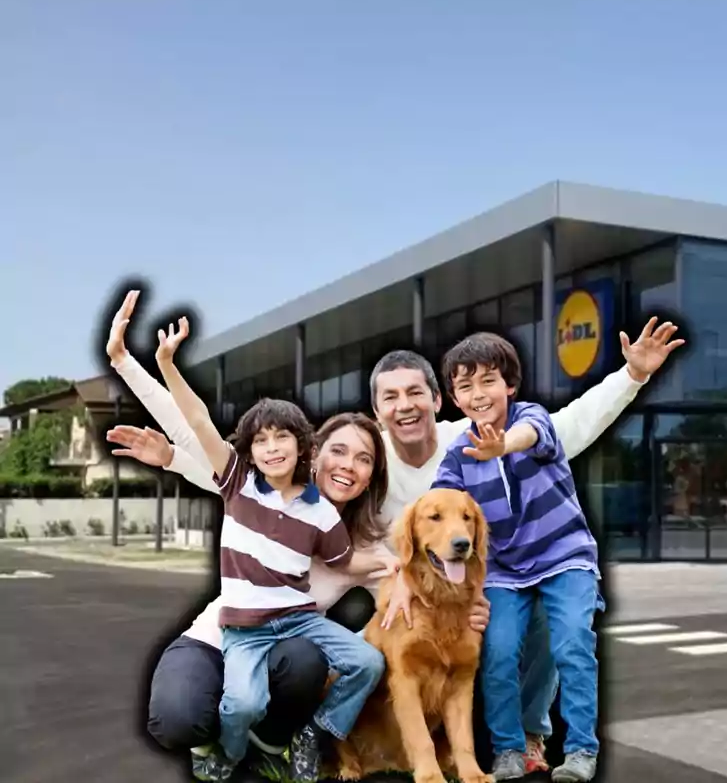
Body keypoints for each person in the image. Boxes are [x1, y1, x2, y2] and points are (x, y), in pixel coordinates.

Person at [106, 291, 677, 775]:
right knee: (188, 714)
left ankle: (524, 734)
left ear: (436, 400)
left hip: (333, 627)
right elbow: (207, 441)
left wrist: (631, 376)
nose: (348, 466)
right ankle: (258, 735)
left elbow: (566, 427)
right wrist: (137, 379)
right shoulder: (296, 490)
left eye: (413, 394)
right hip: (232, 632)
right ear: (371, 418)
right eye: (388, 399)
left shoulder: (455, 452)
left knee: (519, 622)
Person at [153, 316, 402, 782]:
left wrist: (392, 561)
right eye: (261, 441)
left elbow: (344, 561)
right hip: (243, 628)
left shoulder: (322, 514)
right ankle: (227, 750)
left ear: (302, 444)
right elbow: (198, 422)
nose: (271, 448)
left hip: (298, 623)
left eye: (281, 437)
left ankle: (317, 730)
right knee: (240, 703)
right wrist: (167, 364)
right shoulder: (240, 485)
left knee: (369, 662)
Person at [431, 328, 683, 783]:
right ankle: (508, 749)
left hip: (564, 554)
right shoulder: (456, 454)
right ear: (454, 398)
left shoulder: (533, 417)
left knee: (571, 643)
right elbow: (437, 509)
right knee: (500, 652)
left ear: (509, 385)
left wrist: (501, 445)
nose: (478, 393)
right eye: (465, 386)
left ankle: (582, 749)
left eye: (488, 381)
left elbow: (530, 435)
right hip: (505, 569)